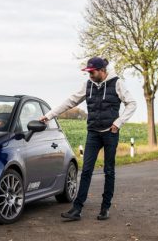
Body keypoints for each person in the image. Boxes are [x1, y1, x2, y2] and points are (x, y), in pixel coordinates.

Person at [40, 57, 137, 221]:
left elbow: (132, 103)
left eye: (92, 72)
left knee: (108, 171)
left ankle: (105, 208)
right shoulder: (88, 85)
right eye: (88, 73)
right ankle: (76, 209)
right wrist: (49, 116)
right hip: (93, 132)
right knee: (86, 171)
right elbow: (70, 101)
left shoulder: (117, 83)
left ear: (102, 70)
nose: (90, 75)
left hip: (110, 133)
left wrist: (118, 123)